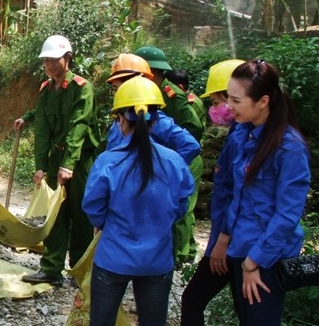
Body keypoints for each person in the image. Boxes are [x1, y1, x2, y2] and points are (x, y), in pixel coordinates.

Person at [83, 76, 193, 326]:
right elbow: (181, 205)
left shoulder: (108, 162)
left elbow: (93, 207)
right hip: (157, 260)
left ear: (121, 119)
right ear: (155, 121)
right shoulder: (174, 161)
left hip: (113, 258)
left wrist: (106, 224)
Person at [225, 59, 310, 325]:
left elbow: (287, 215)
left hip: (265, 259)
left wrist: (254, 262)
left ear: (262, 101)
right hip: (241, 249)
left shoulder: (289, 148)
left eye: (236, 101)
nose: (228, 106)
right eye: (228, 97)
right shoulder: (245, 134)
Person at [21, 35, 100, 286]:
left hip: (79, 161)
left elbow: (78, 127)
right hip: (56, 159)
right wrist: (41, 166)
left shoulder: (82, 88)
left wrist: (69, 165)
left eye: (54, 60)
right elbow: (42, 130)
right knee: (54, 216)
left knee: (80, 216)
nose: (49, 65)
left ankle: (80, 269)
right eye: (46, 60)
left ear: (67, 58)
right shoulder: (45, 90)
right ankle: (51, 269)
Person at [181, 59, 244, 326]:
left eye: (218, 101)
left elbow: (239, 194)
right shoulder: (240, 133)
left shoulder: (244, 138)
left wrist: (223, 240)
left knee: (193, 299)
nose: (216, 108)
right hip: (231, 238)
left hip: (236, 242)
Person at [135, 46, 204, 264]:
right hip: (169, 157)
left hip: (184, 157)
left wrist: (172, 158)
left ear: (151, 72)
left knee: (180, 210)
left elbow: (194, 128)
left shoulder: (171, 94)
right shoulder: (150, 90)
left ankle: (180, 257)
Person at [104, 54, 201, 165]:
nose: (116, 94)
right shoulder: (120, 119)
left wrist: (164, 172)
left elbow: (190, 146)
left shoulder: (153, 118)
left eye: (117, 88)